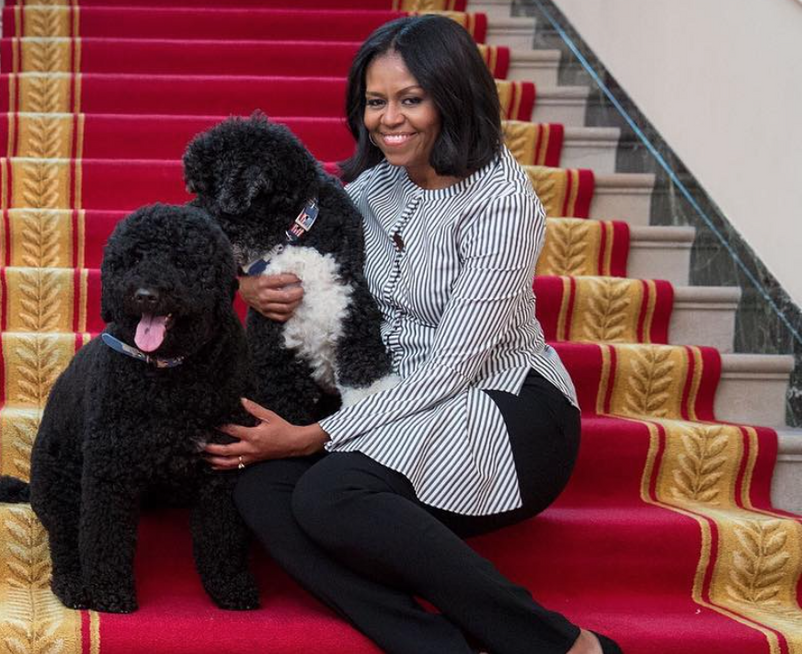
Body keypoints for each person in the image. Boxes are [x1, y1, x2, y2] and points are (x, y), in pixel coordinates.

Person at [202, 15, 621, 654]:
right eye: (375, 101)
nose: (388, 119)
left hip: (504, 407)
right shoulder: (373, 187)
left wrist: (314, 435)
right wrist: (247, 280)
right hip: (393, 403)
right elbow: (273, 228)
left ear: (453, 98)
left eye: (410, 99)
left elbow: (453, 364)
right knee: (260, 487)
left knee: (329, 492)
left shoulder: (503, 202)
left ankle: (561, 645)